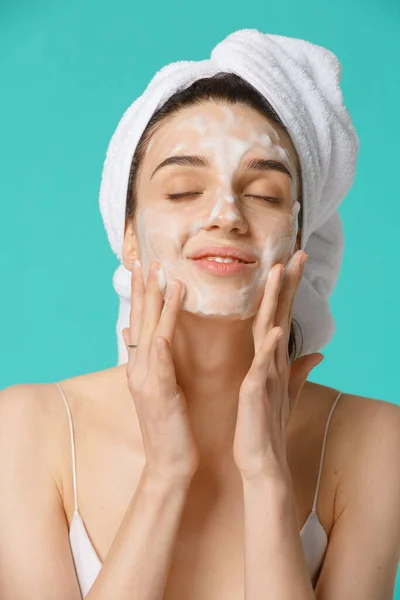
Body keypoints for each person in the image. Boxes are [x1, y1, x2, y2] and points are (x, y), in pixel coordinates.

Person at [1, 33, 400, 600]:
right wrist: (165, 476)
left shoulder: (373, 440)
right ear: (130, 238)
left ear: (298, 238)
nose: (227, 215)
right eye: (185, 189)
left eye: (264, 194)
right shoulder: (27, 429)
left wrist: (266, 472)